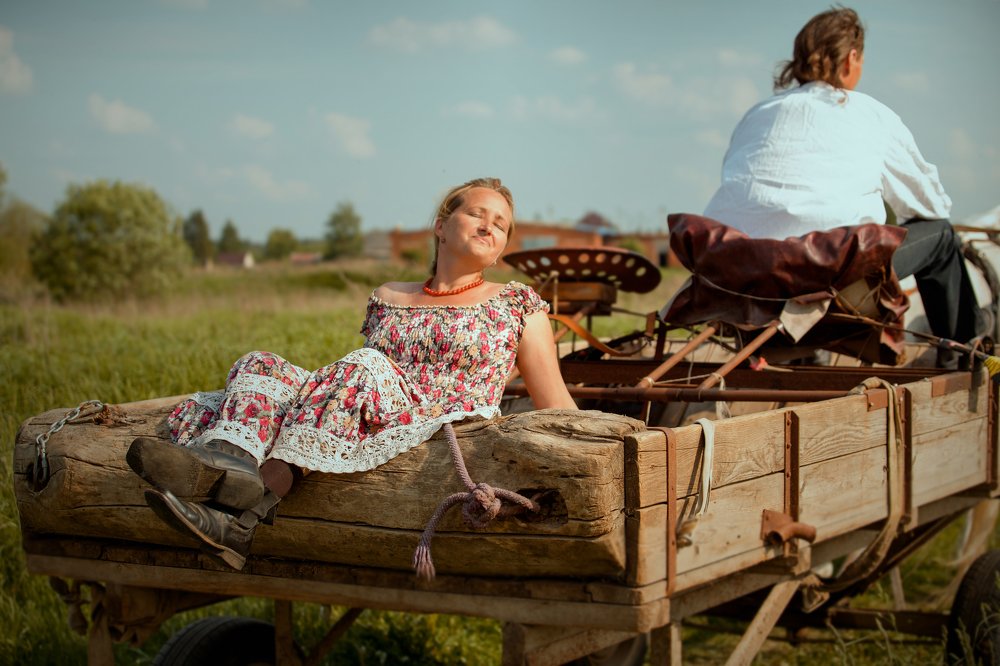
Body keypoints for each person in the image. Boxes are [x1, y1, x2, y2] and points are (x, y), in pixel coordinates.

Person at [127, 177, 577, 570]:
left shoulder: (516, 303)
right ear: (441, 225)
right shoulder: (388, 295)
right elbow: (349, 389)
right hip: (377, 409)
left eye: (500, 224)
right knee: (260, 363)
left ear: (500, 249)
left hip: (444, 423)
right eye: (477, 214)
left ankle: (245, 518)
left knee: (365, 365)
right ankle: (220, 474)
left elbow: (553, 399)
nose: (488, 226)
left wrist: (600, 437)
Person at [702, 7, 980, 355]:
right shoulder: (871, 114)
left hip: (741, 277)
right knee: (941, 235)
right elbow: (930, 205)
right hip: (831, 275)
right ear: (850, 59)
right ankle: (963, 353)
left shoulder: (756, 115)